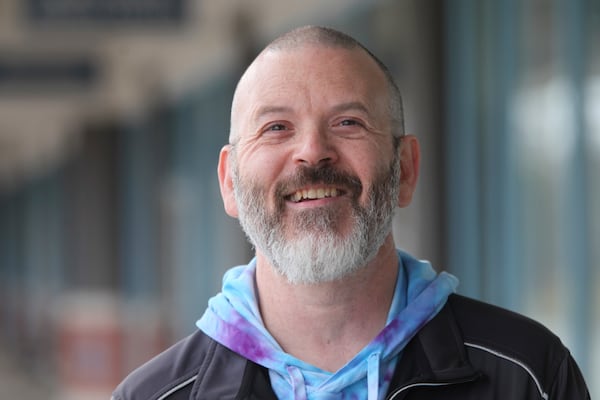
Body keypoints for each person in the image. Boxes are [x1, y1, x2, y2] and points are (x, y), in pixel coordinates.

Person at [112, 26, 590, 400]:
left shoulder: (529, 376)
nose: (313, 152)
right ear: (229, 182)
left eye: (348, 123)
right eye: (276, 127)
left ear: (404, 168)